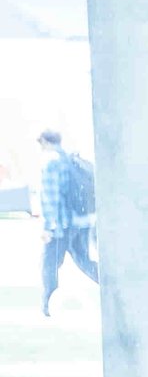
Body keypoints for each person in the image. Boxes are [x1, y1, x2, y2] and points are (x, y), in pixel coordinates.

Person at [34, 128, 98, 317]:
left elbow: (50, 198)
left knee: (48, 264)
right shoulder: (72, 159)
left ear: (45, 142)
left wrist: (48, 227)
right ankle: (112, 287)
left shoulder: (50, 162)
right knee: (84, 261)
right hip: (82, 221)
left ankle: (48, 305)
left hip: (60, 226)